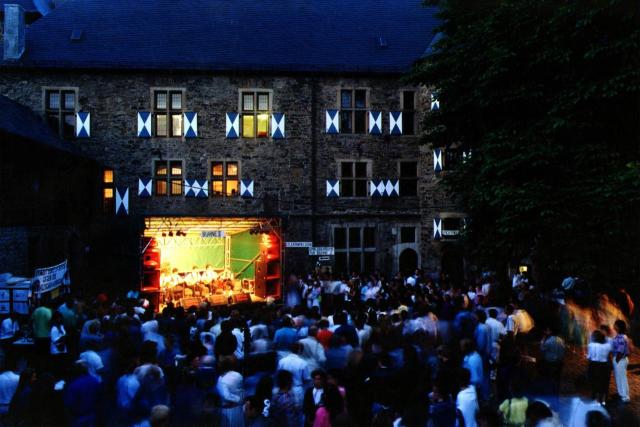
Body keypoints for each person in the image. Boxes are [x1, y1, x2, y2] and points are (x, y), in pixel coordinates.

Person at [217, 358, 245, 427]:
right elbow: (242, 389)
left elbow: (226, 396)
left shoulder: (221, 379)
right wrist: (240, 399)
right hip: (239, 408)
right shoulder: (238, 375)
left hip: (228, 411)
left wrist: (238, 399)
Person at [587, 329, 611, 405]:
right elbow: (608, 356)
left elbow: (590, 356)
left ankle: (594, 399)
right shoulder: (607, 346)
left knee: (594, 382)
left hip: (594, 365)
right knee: (603, 383)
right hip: (604, 366)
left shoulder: (591, 345)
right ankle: (603, 400)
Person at [539, 326, 565, 395]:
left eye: (547, 331)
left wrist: (542, 342)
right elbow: (563, 351)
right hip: (559, 363)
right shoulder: (560, 340)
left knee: (549, 378)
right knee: (557, 379)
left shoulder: (548, 341)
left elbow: (542, 350)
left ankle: (550, 393)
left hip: (550, 363)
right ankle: (556, 393)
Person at [611, 319, 630, 403]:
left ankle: (624, 396)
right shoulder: (623, 336)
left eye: (615, 324)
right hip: (622, 359)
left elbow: (620, 350)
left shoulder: (621, 338)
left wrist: (617, 360)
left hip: (620, 359)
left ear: (618, 327)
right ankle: (622, 394)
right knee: (621, 377)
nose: (613, 325)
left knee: (621, 378)